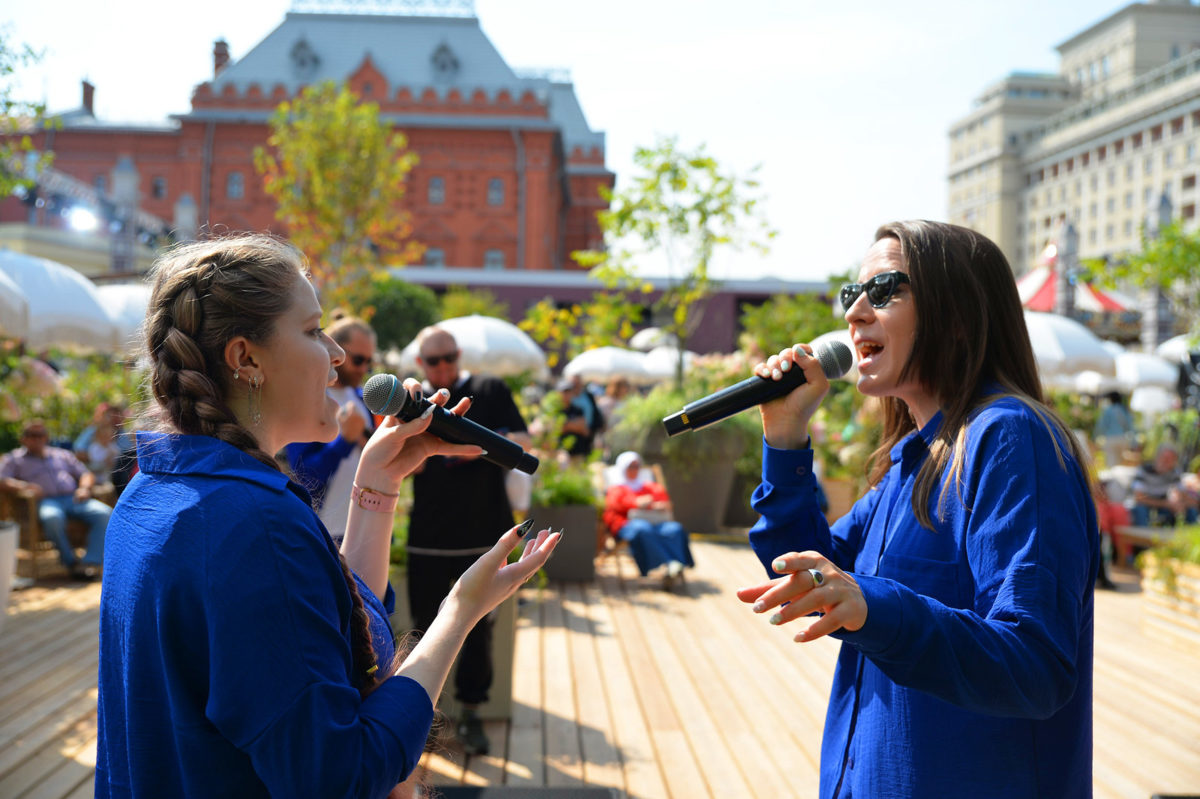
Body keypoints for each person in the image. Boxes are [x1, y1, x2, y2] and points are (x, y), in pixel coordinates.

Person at [94, 235, 559, 799]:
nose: (338, 355)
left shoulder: (152, 490)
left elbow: (325, 628)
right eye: (314, 331)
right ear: (247, 358)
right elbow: (340, 772)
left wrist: (377, 484)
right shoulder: (253, 525)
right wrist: (460, 612)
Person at [735, 221, 1098, 798]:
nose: (854, 313)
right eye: (850, 295)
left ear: (956, 313)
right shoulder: (913, 458)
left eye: (882, 291)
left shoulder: (1009, 440)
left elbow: (1036, 664)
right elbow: (803, 574)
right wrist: (785, 438)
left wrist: (873, 606)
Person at [408, 325, 531, 755]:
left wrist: (472, 445)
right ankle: (425, 720)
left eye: (449, 357)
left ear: (459, 356)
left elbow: (522, 443)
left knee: (477, 631)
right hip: (428, 535)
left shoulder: (488, 388)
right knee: (424, 631)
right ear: (421, 364)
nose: (442, 366)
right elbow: (407, 467)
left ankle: (473, 715)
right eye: (433, 360)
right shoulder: (416, 402)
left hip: (482, 533)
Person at [286, 313, 379, 543]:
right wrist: (344, 441)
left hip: (368, 527)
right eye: (358, 360)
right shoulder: (306, 398)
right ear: (335, 351)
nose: (363, 368)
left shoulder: (363, 397)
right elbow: (303, 475)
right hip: (326, 533)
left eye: (370, 362)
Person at [0, 419, 111, 580]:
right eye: (32, 435)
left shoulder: (62, 455)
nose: (37, 438)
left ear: (46, 437)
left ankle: (89, 562)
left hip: (73, 498)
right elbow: (2, 480)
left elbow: (85, 474)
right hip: (46, 501)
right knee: (52, 518)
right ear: (23, 438)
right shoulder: (14, 459)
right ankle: (70, 562)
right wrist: (23, 486)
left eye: (41, 434)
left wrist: (84, 488)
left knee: (105, 513)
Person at [602, 450, 692, 589]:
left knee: (675, 529)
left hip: (656, 523)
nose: (635, 470)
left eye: (637, 466)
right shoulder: (616, 488)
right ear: (623, 468)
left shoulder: (649, 486)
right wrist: (636, 503)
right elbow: (615, 504)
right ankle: (671, 563)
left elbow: (665, 502)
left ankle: (673, 565)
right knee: (642, 529)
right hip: (628, 525)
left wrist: (660, 505)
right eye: (631, 466)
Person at [1129, 442, 1200, 527]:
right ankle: (1141, 539)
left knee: (1190, 510)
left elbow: (1182, 493)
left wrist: (1183, 504)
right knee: (1141, 510)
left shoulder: (1174, 472)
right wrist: (1166, 504)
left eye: (1171, 459)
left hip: (1163, 507)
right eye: (1165, 458)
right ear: (1157, 457)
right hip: (1145, 506)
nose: (1167, 462)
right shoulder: (1143, 471)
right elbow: (1139, 499)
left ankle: (1190, 537)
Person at [1093, 390, 1135, 469]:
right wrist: (1134, 442)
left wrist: (1094, 438)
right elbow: (1130, 427)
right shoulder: (1124, 410)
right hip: (1122, 439)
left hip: (1110, 440)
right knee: (1120, 464)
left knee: (1111, 464)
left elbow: (1101, 425)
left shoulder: (1108, 410)